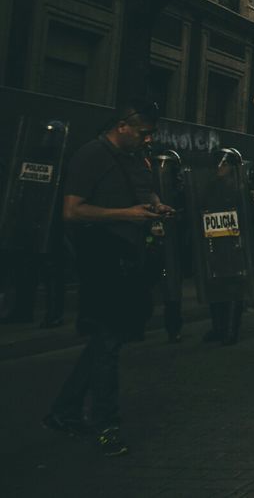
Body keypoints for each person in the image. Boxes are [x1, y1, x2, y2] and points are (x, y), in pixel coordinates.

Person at [45, 101, 172, 457]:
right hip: (102, 260)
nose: (147, 139)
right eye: (143, 133)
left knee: (109, 339)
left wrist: (154, 205)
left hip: (129, 261)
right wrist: (126, 214)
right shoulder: (91, 155)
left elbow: (144, 193)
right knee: (107, 342)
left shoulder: (134, 158)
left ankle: (65, 411)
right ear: (122, 126)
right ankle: (106, 424)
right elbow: (72, 210)